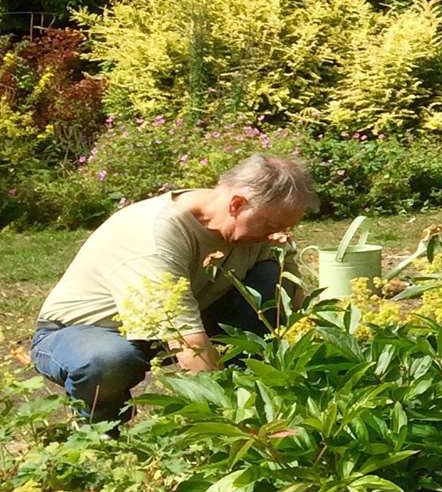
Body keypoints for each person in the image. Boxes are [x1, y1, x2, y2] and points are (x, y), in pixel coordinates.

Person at [32, 155, 314, 423]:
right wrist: (236, 421)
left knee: (273, 279)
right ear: (237, 204)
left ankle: (255, 393)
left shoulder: (260, 232)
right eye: (271, 226)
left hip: (180, 319)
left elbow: (293, 301)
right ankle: (99, 432)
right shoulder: (156, 234)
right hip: (84, 332)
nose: (277, 236)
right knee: (109, 361)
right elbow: (187, 341)